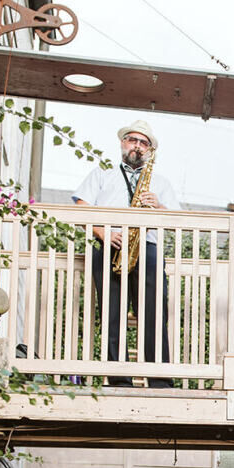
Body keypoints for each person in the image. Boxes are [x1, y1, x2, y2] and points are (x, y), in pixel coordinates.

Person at [73, 119, 177, 387]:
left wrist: (160, 205)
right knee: (112, 312)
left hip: (148, 248)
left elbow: (177, 220)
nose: (137, 146)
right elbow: (82, 206)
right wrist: (103, 233)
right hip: (110, 246)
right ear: (122, 143)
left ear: (150, 151)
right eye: (133, 140)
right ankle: (119, 378)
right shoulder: (102, 172)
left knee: (154, 313)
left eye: (144, 143)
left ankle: (160, 380)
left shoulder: (161, 182)